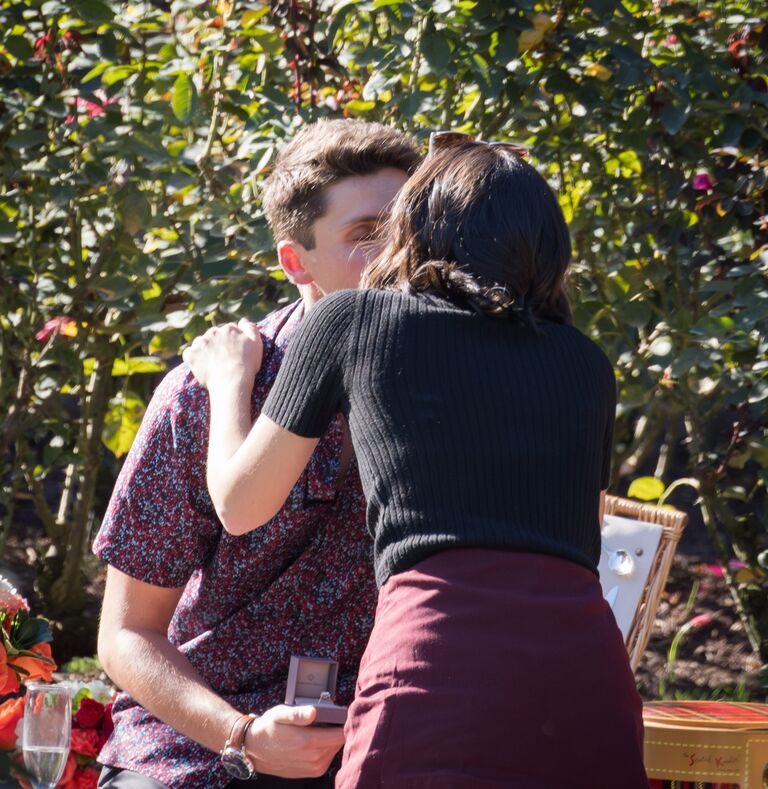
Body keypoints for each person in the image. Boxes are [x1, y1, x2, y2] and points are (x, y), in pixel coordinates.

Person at [184, 133, 649, 788]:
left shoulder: (353, 319)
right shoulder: (585, 363)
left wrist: (230, 380)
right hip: (586, 671)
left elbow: (239, 505)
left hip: (440, 655)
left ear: (418, 224)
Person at [92, 118, 421, 789]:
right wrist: (240, 735)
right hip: (199, 747)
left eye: (408, 229)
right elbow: (127, 633)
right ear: (296, 261)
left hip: (384, 748)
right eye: (365, 234)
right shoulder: (204, 393)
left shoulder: (454, 386)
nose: (397, 255)